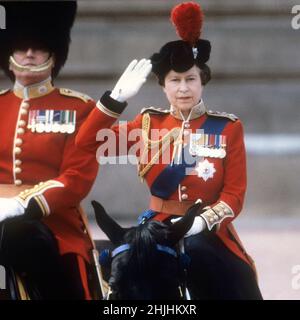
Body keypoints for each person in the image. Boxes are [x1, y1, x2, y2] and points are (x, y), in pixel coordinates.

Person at [76, 2, 263, 299]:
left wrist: (202, 221)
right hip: (157, 228)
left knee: (235, 278)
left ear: (202, 81)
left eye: (190, 79)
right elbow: (87, 143)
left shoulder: (227, 128)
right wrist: (114, 100)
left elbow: (234, 195)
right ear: (163, 86)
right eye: (175, 81)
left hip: (210, 231)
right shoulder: (148, 124)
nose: (183, 88)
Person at [0, 1, 99, 299]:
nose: (29, 54)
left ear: (53, 54)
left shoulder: (79, 108)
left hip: (53, 221)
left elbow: (76, 178)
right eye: (21, 46)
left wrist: (24, 204)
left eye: (39, 47)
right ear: (9, 53)